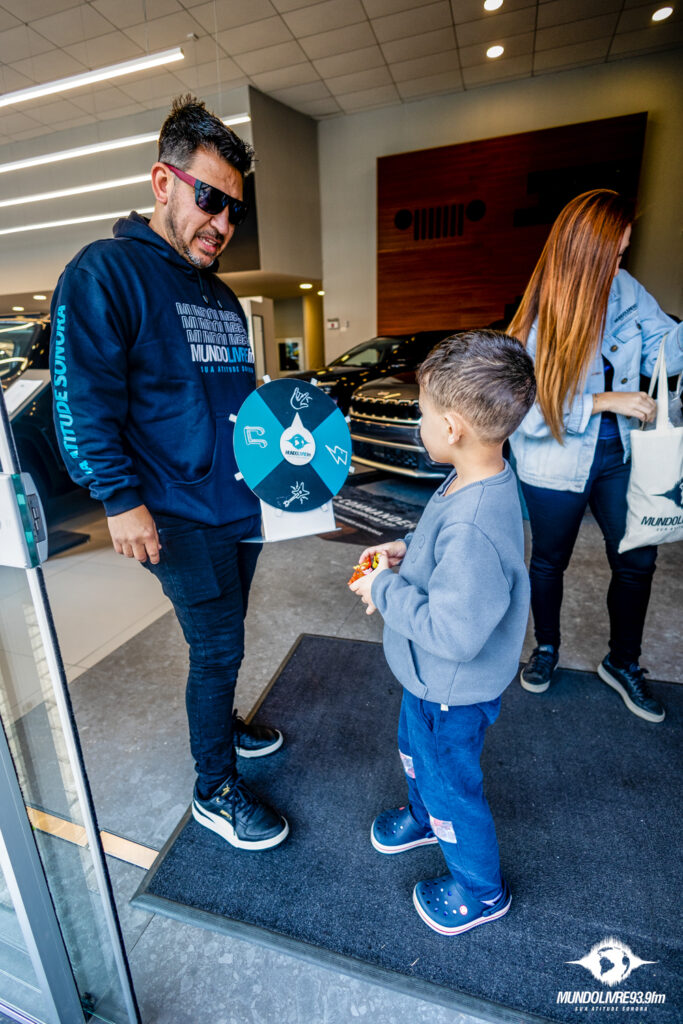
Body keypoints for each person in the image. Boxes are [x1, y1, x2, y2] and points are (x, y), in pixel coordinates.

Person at [50, 96, 289, 850]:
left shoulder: (221, 294)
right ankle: (214, 788)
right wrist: (119, 499)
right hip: (173, 510)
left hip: (238, 503)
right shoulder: (105, 272)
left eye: (234, 211)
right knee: (217, 645)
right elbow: (81, 397)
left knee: (227, 635)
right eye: (209, 199)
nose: (222, 223)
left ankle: (223, 723)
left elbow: (240, 404)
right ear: (164, 182)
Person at [349, 331, 536, 935]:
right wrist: (406, 550)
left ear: (452, 427)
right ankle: (424, 816)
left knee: (452, 786)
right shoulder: (471, 478)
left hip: (451, 689)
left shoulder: (476, 524)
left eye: (423, 413)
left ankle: (481, 893)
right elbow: (441, 541)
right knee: (416, 754)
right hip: (426, 681)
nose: (420, 424)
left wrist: (382, 589)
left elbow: (453, 634)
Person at [508, 189, 683, 723]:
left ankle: (622, 662)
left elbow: (665, 349)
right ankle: (546, 648)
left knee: (638, 559)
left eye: (623, 253)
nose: (618, 265)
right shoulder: (540, 312)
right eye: (613, 253)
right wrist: (605, 400)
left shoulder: (625, 288)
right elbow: (530, 413)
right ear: (586, 251)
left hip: (620, 453)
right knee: (549, 560)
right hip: (553, 459)